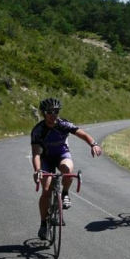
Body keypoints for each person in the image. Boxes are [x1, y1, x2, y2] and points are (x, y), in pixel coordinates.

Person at [31, 97, 102, 239]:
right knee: (46, 190)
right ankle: (43, 224)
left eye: (56, 111)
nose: (53, 114)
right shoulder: (38, 130)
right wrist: (37, 170)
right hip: (46, 158)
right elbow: (36, 154)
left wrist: (93, 144)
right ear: (44, 113)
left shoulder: (63, 124)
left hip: (62, 154)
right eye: (50, 112)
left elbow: (82, 134)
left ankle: (64, 194)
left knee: (67, 170)